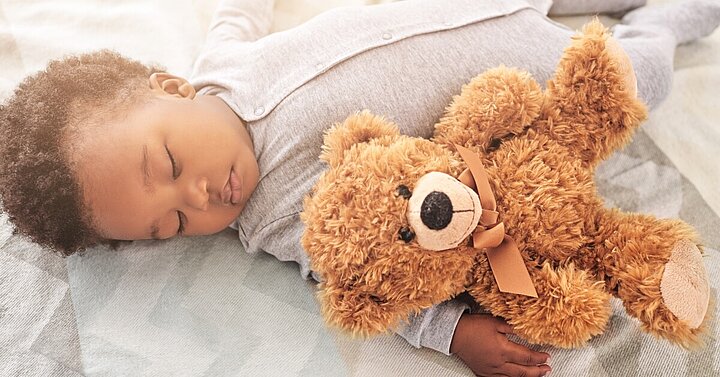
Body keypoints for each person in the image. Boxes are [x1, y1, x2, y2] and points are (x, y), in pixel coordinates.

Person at [1, 0, 718, 375]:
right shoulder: (282, 215)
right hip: (532, 85)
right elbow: (371, 274)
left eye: (165, 162)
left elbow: (237, 12)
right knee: (631, 76)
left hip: (458, 11)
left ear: (170, 87)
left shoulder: (222, 63)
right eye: (170, 225)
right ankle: (667, 22)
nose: (198, 198)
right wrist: (452, 333)